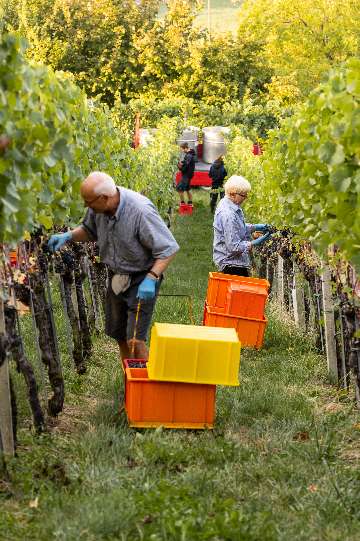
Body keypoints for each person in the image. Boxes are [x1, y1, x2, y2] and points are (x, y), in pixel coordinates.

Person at [48, 172, 179, 361]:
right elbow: (89, 230)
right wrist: (69, 236)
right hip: (117, 276)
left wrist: (152, 277)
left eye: (89, 202)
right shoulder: (98, 208)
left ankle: (145, 387)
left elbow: (169, 248)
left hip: (142, 276)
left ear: (104, 198)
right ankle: (130, 383)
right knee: (120, 337)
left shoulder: (140, 211)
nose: (87, 207)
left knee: (135, 340)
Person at [213, 175, 270, 277]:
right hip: (231, 264)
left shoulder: (228, 203)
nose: (245, 198)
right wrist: (253, 243)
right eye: (243, 195)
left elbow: (235, 228)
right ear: (232, 194)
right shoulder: (228, 214)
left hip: (233, 262)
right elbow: (234, 247)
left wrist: (254, 227)